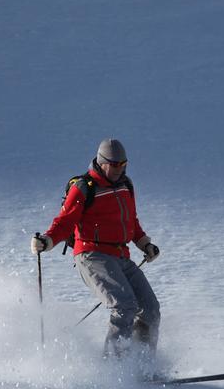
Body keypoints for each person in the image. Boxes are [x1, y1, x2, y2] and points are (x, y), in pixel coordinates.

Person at [31, 138, 161, 359]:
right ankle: (114, 366)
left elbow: (130, 221)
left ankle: (142, 365)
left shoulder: (125, 185)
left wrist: (144, 243)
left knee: (150, 309)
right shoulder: (84, 187)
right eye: (115, 165)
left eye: (124, 165)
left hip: (121, 255)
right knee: (124, 306)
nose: (120, 170)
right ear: (102, 163)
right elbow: (65, 221)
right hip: (92, 255)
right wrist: (47, 240)